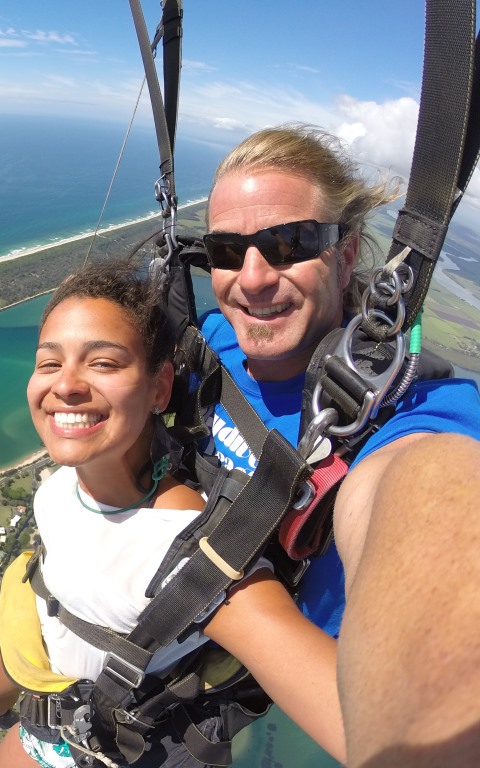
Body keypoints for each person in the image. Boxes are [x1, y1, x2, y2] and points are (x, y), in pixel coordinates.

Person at [0, 262, 346, 767]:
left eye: (102, 363)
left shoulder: (194, 556)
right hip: (47, 708)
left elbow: (357, 720)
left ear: (160, 389)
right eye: (50, 364)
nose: (66, 385)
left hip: (95, 746)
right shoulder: (58, 488)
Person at [200, 124, 480, 767]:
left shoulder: (409, 412)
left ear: (347, 255)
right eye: (225, 249)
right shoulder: (212, 344)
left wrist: (230, 605)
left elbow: (423, 495)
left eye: (288, 243)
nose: (252, 279)